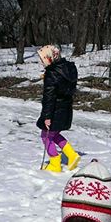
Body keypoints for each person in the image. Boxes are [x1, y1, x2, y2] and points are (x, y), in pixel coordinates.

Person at [36, 45, 80, 173]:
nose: (41, 62)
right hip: (66, 109)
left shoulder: (52, 73)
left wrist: (47, 117)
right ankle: (72, 155)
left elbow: (49, 98)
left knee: (46, 136)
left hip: (55, 111)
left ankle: (55, 163)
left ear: (49, 58)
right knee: (54, 134)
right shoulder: (69, 68)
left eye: (42, 58)